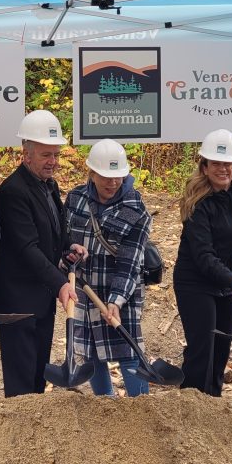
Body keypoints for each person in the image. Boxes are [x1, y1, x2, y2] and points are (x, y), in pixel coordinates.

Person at [0, 111, 84, 397]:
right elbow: (26, 248)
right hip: (18, 298)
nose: (53, 162)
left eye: (56, 155)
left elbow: (55, 229)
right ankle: (19, 436)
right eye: (46, 155)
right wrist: (60, 284)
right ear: (26, 154)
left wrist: (70, 246)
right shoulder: (13, 192)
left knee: (38, 372)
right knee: (21, 378)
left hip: (42, 295)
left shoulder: (49, 186)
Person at [174, 129, 232, 396]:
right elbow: (203, 256)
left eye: (228, 163)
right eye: (217, 163)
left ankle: (213, 404)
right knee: (203, 348)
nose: (223, 169)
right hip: (195, 282)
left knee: (222, 349)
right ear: (205, 166)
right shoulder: (198, 204)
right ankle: (191, 404)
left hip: (225, 283)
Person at [64, 139, 152, 397]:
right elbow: (62, 237)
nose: (112, 183)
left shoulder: (135, 207)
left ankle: (142, 411)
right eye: (105, 177)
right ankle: (106, 407)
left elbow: (131, 261)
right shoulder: (76, 199)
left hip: (122, 290)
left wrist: (116, 300)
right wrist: (67, 256)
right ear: (91, 173)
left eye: (118, 177)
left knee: (128, 350)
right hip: (84, 289)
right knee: (89, 354)